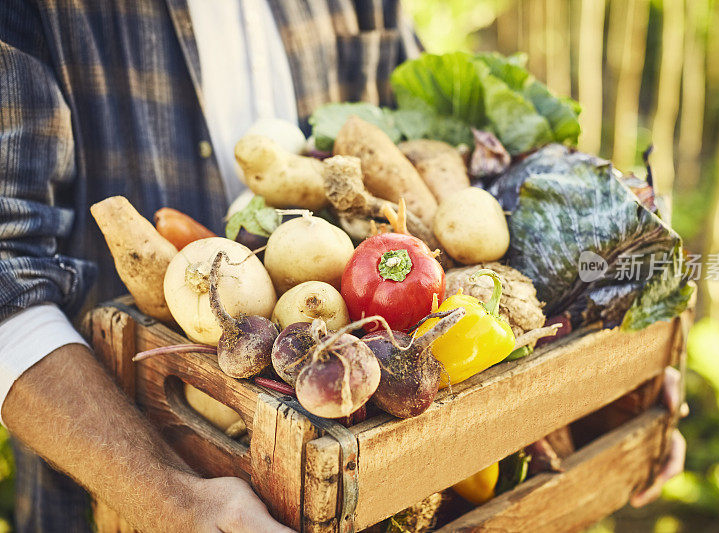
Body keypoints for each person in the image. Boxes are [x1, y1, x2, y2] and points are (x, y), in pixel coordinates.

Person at [0, 1, 683, 531]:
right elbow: (8, 286)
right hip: (109, 500)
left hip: (387, 477)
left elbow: (421, 141)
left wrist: (614, 389)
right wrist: (168, 500)